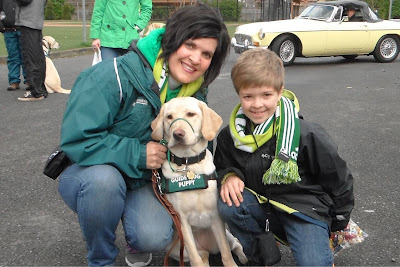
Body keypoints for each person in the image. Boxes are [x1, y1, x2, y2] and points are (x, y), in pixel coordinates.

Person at [58, 4, 230, 266]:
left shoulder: (195, 91)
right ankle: (101, 258)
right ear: (171, 39)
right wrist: (138, 154)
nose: (196, 59)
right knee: (103, 184)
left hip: (142, 179)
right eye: (190, 45)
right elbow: (77, 140)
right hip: (90, 172)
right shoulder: (111, 75)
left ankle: (133, 232)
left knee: (152, 236)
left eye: (206, 54)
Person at [215, 48, 354, 266]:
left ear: (280, 92)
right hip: (264, 206)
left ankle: (318, 243)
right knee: (229, 203)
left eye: (266, 95)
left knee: (313, 263)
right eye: (248, 96)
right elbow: (223, 163)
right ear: (239, 94)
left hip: (304, 211)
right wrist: (230, 175)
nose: (257, 104)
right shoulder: (229, 135)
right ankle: (259, 252)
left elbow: (337, 177)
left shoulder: (306, 133)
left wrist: (339, 220)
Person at [14, 0, 47, 101]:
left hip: (28, 21)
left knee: (30, 58)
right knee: (38, 57)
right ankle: (40, 88)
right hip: (35, 20)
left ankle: (35, 92)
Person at [0, 0, 26, 91]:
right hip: (8, 30)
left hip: (22, 29)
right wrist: (1, 27)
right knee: (12, 57)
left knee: (25, 56)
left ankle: (28, 80)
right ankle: (14, 81)